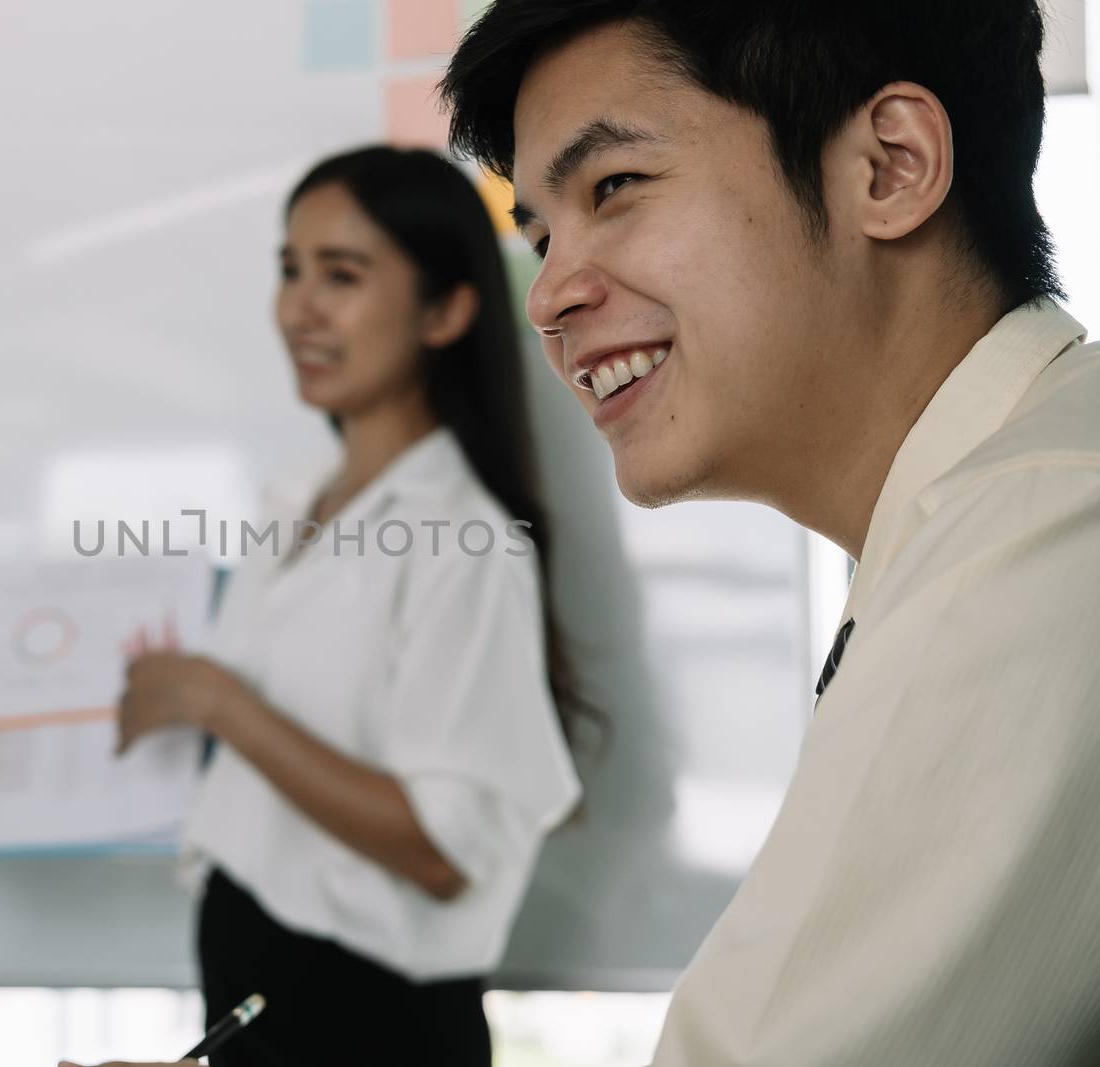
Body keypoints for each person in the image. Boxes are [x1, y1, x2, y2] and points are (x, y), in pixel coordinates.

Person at [433, 1, 1099, 1064]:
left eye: (615, 187)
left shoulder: (1039, 529)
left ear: (889, 165)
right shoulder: (984, 505)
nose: (550, 295)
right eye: (544, 233)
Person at [0, 146, 592, 1066]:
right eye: (290, 270)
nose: (300, 308)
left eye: (343, 274)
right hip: (265, 1012)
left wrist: (221, 704)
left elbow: (443, 851)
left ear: (446, 309)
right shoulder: (295, 508)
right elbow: (233, 798)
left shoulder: (466, 540)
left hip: (378, 1031)